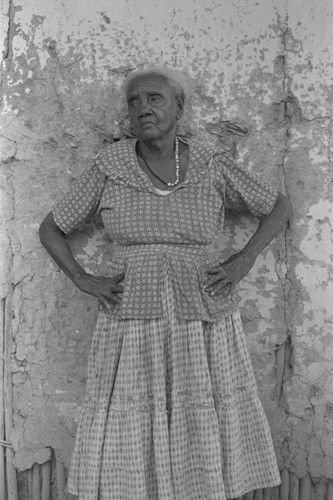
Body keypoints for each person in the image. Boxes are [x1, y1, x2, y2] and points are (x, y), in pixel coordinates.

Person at [39, 66, 291, 500]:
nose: (143, 109)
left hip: (203, 309)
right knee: (133, 412)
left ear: (179, 107)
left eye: (154, 98)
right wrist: (84, 279)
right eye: (134, 102)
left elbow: (278, 206)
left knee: (203, 408)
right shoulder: (110, 165)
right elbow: (51, 228)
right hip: (132, 313)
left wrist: (244, 259)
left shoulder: (211, 163)